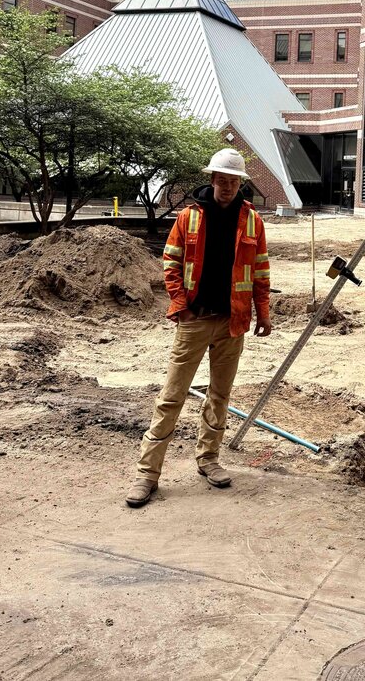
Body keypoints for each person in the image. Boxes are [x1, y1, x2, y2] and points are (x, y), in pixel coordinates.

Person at [125, 148, 272, 507]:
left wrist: (263, 313)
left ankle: (209, 459)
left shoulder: (253, 221)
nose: (227, 186)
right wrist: (181, 307)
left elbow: (261, 271)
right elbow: (170, 262)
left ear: (241, 184)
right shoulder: (189, 218)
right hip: (195, 319)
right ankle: (148, 474)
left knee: (219, 396)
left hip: (232, 321)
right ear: (212, 180)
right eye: (222, 179)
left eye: (233, 181)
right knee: (172, 396)